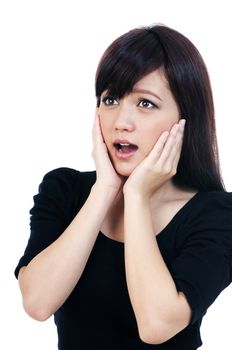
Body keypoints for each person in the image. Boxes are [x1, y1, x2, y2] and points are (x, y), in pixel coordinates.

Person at [15, 23, 232, 350]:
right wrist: (104, 189)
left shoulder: (216, 215)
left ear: (186, 119)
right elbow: (37, 303)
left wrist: (137, 196)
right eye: (110, 99)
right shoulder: (64, 189)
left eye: (145, 103)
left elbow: (156, 324)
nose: (121, 122)